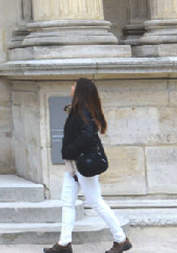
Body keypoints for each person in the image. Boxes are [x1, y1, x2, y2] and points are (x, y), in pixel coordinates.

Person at [44, 78, 131, 253]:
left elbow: (88, 136)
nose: (71, 87)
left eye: (74, 85)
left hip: (82, 164)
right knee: (67, 202)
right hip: (73, 165)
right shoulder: (78, 111)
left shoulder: (82, 112)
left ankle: (121, 239)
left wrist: (69, 150)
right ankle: (64, 243)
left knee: (96, 202)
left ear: (80, 91)